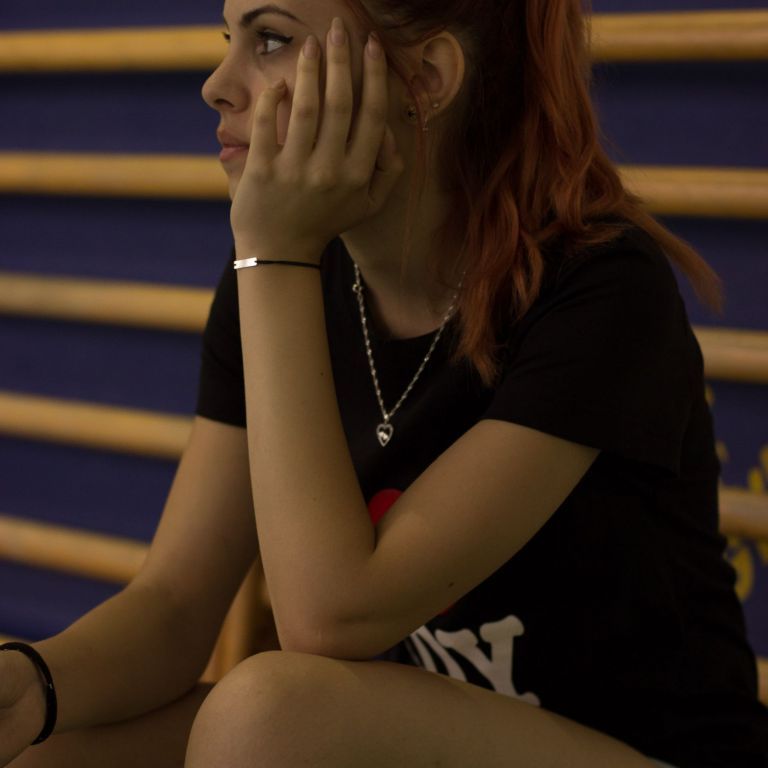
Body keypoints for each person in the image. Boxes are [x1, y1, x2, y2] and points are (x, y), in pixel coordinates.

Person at [2, 0, 767, 765]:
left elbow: (331, 618)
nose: (216, 84)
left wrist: (271, 253)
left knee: (265, 720)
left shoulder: (600, 288)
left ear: (426, 79)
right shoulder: (280, 274)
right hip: (425, 738)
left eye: (270, 40)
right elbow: (173, 604)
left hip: (648, 754)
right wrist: (32, 683)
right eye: (228, 39)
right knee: (48, 754)